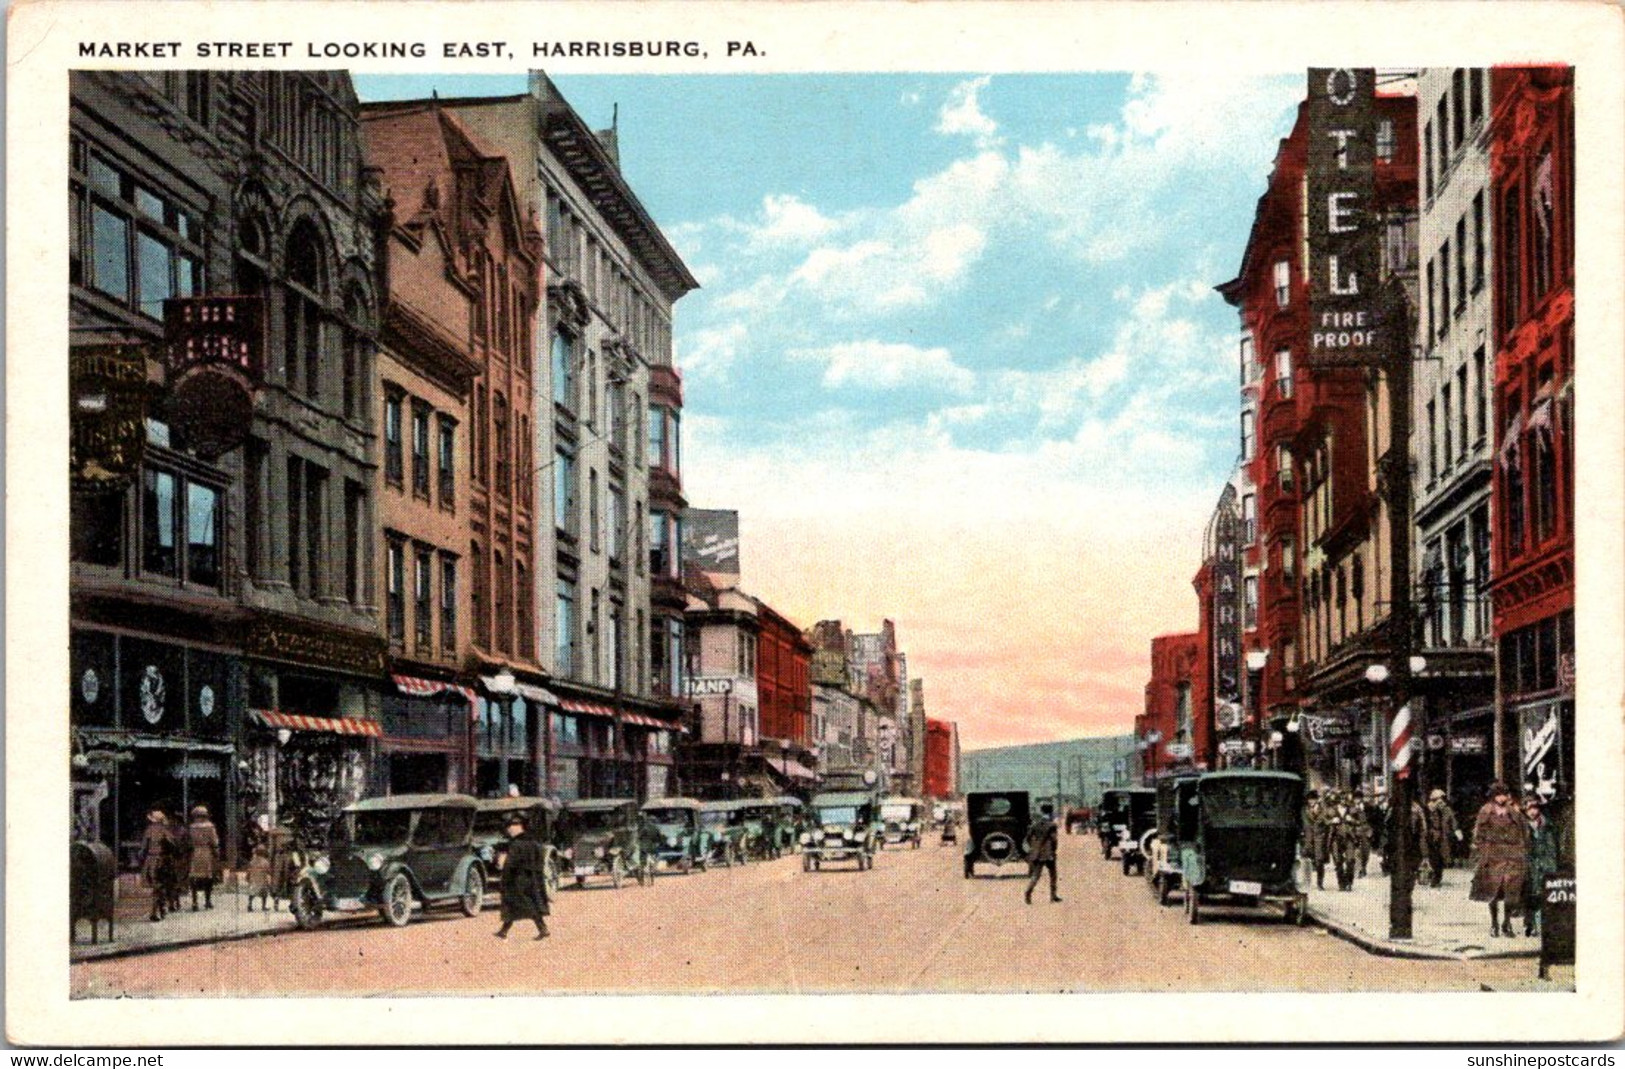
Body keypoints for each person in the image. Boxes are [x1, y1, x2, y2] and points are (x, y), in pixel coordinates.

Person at [1470, 781, 1529, 938]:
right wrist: (1482, 853)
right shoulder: (1486, 811)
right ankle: (1494, 923)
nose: (1502, 798)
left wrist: (1521, 851)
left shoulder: (1514, 812)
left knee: (1512, 893)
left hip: (1512, 857)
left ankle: (1507, 922)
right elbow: (1478, 835)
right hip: (1492, 856)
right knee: (1493, 892)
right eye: (1498, 795)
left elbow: (1524, 833)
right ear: (1493, 796)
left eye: (1504, 794)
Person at [495, 816, 550, 940]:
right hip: (534, 878)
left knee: (519, 903)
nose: (509, 831)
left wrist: (504, 876)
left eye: (510, 828)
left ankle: (543, 929)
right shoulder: (535, 842)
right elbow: (541, 859)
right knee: (526, 903)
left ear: (516, 828)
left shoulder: (516, 844)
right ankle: (503, 931)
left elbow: (511, 863)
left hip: (518, 879)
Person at [1522, 796, 1560, 937]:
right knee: (1530, 897)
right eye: (1529, 809)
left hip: (1544, 865)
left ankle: (1542, 926)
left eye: (1535, 808)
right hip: (1528, 866)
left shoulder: (1547, 825)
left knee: (1543, 896)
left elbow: (1552, 849)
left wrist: (1551, 866)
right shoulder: (1522, 826)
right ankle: (1530, 925)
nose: (1532, 812)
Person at [1023, 802, 1061, 905]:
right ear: (1051, 812)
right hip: (1048, 853)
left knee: (1036, 875)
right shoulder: (1052, 825)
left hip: (1036, 853)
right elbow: (1054, 840)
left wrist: (1034, 847)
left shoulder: (1035, 824)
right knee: (1053, 875)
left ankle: (1028, 892)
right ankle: (1053, 896)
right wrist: (1054, 850)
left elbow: (1028, 838)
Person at [139, 808, 172, 922]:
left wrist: (142, 860)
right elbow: (172, 845)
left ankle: (160, 909)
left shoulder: (149, 830)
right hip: (161, 860)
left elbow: (143, 848)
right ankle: (157, 910)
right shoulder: (164, 830)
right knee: (159, 886)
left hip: (150, 860)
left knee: (157, 886)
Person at [1424, 788, 1462, 888]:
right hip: (1431, 837)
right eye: (1438, 799)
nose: (1441, 801)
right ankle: (1434, 877)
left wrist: (1457, 830)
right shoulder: (1428, 810)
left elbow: (1452, 820)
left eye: (1442, 799)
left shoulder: (1446, 809)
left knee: (1441, 857)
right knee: (1433, 857)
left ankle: (1437, 876)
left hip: (1444, 837)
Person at [187, 805, 222, 910]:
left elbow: (188, 841)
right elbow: (214, 841)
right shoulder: (210, 827)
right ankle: (207, 901)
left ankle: (194, 902)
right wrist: (217, 852)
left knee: (194, 877)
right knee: (208, 877)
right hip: (207, 853)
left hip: (195, 853)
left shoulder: (191, 827)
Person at [1301, 791, 1331, 891]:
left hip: (1319, 837)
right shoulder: (1305, 810)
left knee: (1319, 860)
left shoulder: (1322, 809)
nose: (1311, 802)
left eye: (1313, 799)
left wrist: (1317, 812)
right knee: (1304, 860)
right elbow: (1304, 822)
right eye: (1310, 800)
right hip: (1308, 838)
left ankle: (1320, 883)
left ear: (1317, 800)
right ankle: (1305, 882)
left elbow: (1325, 820)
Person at [245, 844, 274, 912]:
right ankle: (263, 906)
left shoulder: (252, 861)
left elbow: (248, 870)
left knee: (251, 894)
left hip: (254, 880)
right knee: (264, 894)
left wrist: (247, 877)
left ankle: (249, 905)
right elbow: (268, 871)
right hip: (262, 880)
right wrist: (269, 880)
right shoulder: (265, 862)